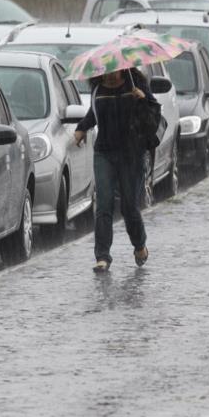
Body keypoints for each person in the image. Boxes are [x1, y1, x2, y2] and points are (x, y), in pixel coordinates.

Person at [74, 67, 155, 273]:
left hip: (131, 154)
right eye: (106, 72)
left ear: (123, 69)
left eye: (115, 71)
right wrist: (82, 127)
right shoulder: (98, 91)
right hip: (104, 153)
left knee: (129, 206)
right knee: (104, 204)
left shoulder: (135, 86)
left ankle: (139, 244)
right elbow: (94, 113)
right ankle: (102, 256)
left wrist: (142, 99)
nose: (110, 75)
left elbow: (152, 116)